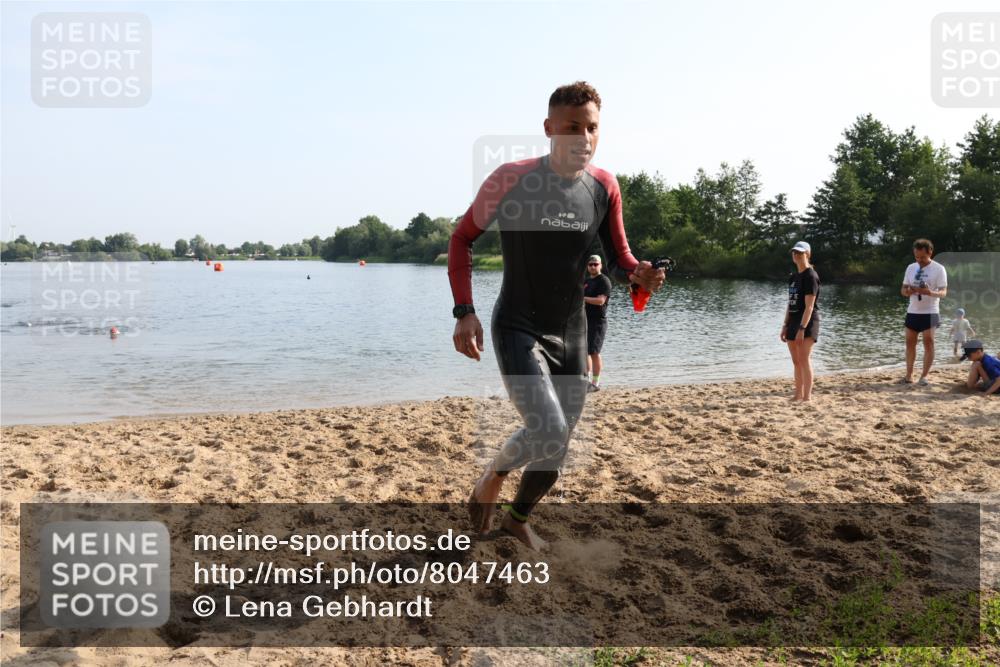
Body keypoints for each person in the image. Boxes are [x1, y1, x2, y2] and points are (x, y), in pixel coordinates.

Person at [449, 81, 666, 550]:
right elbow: (462, 238)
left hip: (572, 329)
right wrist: (464, 312)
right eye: (572, 128)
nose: (584, 138)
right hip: (518, 324)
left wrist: (640, 274)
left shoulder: (605, 187)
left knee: (561, 439)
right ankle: (496, 472)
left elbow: (620, 257)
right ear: (549, 129)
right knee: (547, 427)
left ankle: (516, 517)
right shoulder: (512, 178)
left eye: (592, 128)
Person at [901, 239, 948, 386]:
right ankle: (908, 375)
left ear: (930, 253)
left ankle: (924, 376)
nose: (919, 260)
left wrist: (930, 292)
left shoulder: (939, 269)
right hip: (913, 311)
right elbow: (903, 290)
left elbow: (943, 292)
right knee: (910, 343)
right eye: (916, 257)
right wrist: (908, 292)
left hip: (930, 311)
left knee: (929, 342)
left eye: (922, 257)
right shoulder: (910, 267)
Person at [780, 241, 820, 401]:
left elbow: (809, 307)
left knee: (804, 359)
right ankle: (797, 395)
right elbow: (790, 303)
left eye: (800, 253)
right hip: (793, 320)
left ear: (807, 254)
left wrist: (802, 328)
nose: (796, 255)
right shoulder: (793, 277)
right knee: (796, 361)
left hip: (808, 321)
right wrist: (785, 325)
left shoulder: (811, 276)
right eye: (794, 252)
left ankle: (807, 397)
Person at [583, 254, 613, 392]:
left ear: (601, 265)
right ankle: (586, 381)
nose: (593, 266)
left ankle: (595, 383)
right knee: (585, 352)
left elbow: (600, 301)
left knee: (594, 352)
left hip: (598, 321)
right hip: (584, 320)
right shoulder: (586, 281)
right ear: (588, 266)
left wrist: (582, 298)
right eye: (591, 264)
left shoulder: (604, 281)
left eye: (596, 264)